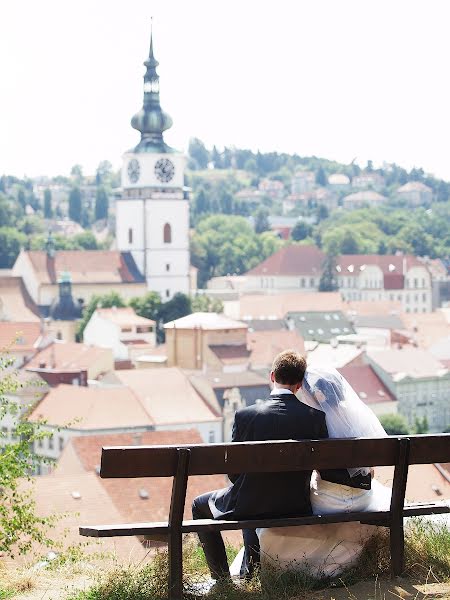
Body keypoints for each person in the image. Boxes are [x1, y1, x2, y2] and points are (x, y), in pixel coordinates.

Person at [191, 350, 329, 584]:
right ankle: (250, 570)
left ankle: (222, 581)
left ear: (272, 376)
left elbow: (234, 473)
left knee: (200, 505)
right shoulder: (315, 417)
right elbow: (322, 467)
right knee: (252, 493)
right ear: (299, 384)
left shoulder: (245, 416)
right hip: (295, 504)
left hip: (250, 504)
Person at [257, 366, 392, 577]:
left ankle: (305, 567)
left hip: (328, 502)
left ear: (316, 394)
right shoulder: (355, 417)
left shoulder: (312, 420)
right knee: (380, 491)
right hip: (363, 499)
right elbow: (370, 473)